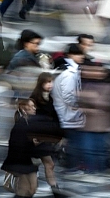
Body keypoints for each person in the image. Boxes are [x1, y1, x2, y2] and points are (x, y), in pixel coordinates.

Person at [2, 99, 40, 198]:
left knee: (32, 189)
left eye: (34, 106)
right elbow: (15, 146)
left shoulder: (31, 123)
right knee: (24, 190)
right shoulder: (20, 125)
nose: (34, 108)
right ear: (24, 109)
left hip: (30, 162)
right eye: (31, 106)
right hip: (21, 162)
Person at [51, 44, 86, 173]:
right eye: (78, 54)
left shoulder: (67, 69)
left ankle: (69, 165)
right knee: (72, 142)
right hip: (68, 114)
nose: (82, 57)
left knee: (69, 141)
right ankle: (70, 167)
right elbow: (68, 96)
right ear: (70, 55)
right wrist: (79, 106)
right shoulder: (69, 73)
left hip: (66, 113)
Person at [30, 72, 61, 187]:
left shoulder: (49, 98)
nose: (50, 85)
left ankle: (54, 189)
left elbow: (54, 118)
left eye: (51, 82)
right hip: (38, 137)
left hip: (45, 137)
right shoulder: (35, 99)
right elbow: (31, 118)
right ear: (41, 83)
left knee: (48, 164)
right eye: (47, 82)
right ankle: (55, 190)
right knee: (49, 164)